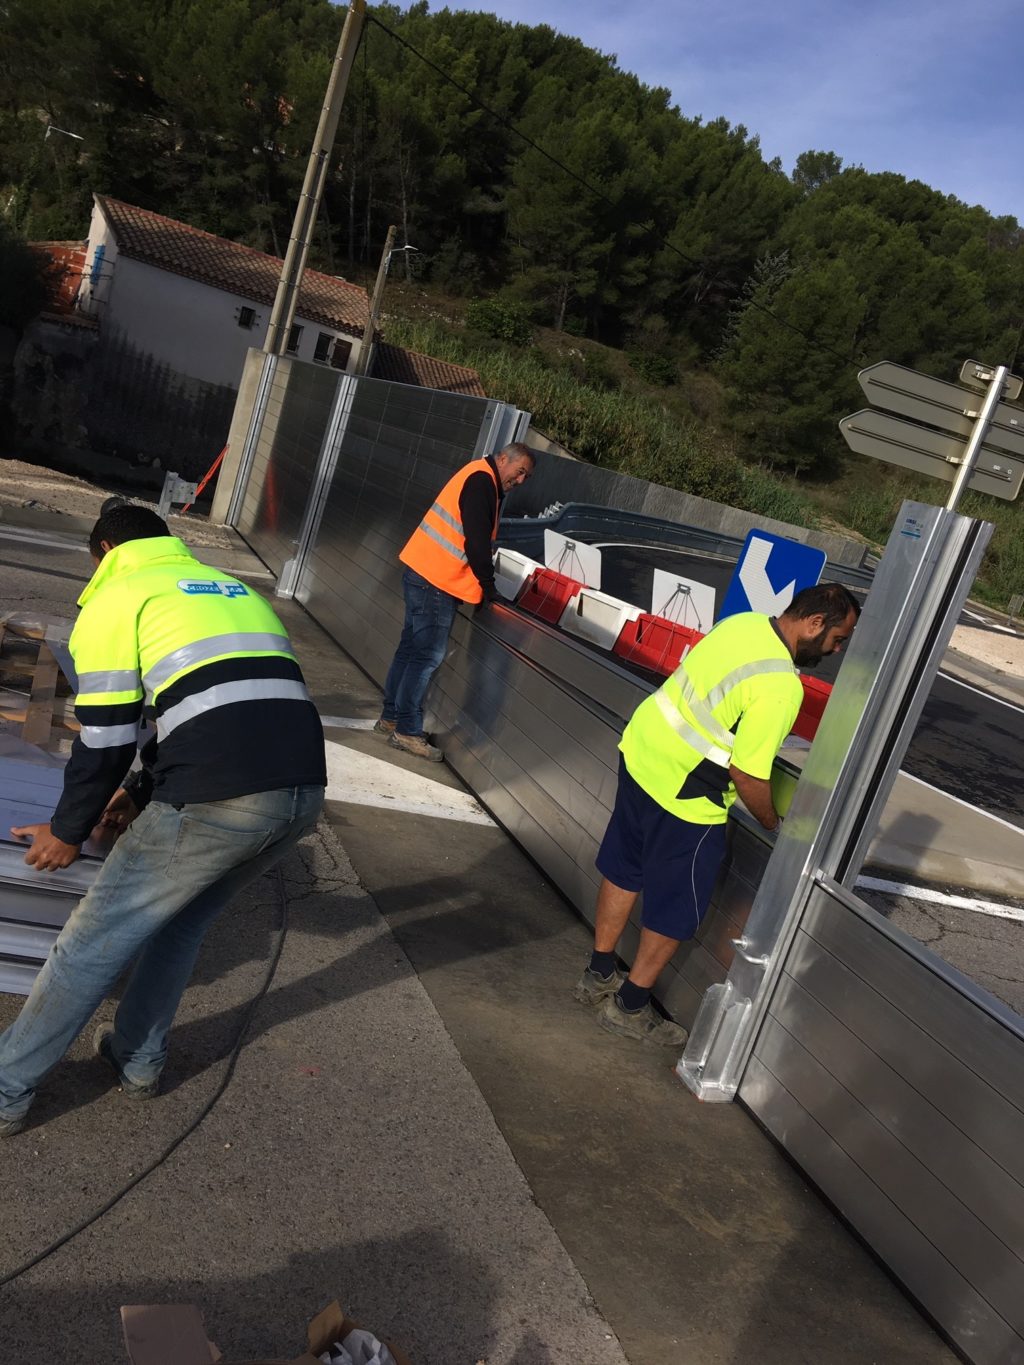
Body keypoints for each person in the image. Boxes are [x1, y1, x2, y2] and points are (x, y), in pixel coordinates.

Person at [0, 504, 326, 1137]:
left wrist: (67, 831)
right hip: (298, 797)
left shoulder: (119, 595)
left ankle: (7, 1088)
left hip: (217, 799)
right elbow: (210, 703)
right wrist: (141, 791)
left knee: (88, 944)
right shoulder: (231, 590)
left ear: (103, 550)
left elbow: (106, 734)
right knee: (179, 929)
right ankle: (137, 1059)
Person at [574, 583, 861, 1046]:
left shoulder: (743, 623)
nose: (836, 649)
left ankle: (598, 973)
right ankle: (628, 1007)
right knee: (675, 907)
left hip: (643, 752)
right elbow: (748, 774)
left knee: (625, 868)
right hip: (686, 795)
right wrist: (774, 825)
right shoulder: (781, 686)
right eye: (838, 638)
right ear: (814, 623)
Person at [375, 442, 535, 761]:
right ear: (503, 459)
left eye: (525, 478)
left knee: (410, 651)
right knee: (426, 657)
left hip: (424, 571)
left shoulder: (477, 475)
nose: (519, 482)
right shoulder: (481, 482)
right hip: (436, 580)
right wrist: (489, 589)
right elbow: (475, 541)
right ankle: (406, 730)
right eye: (519, 473)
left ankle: (391, 716)